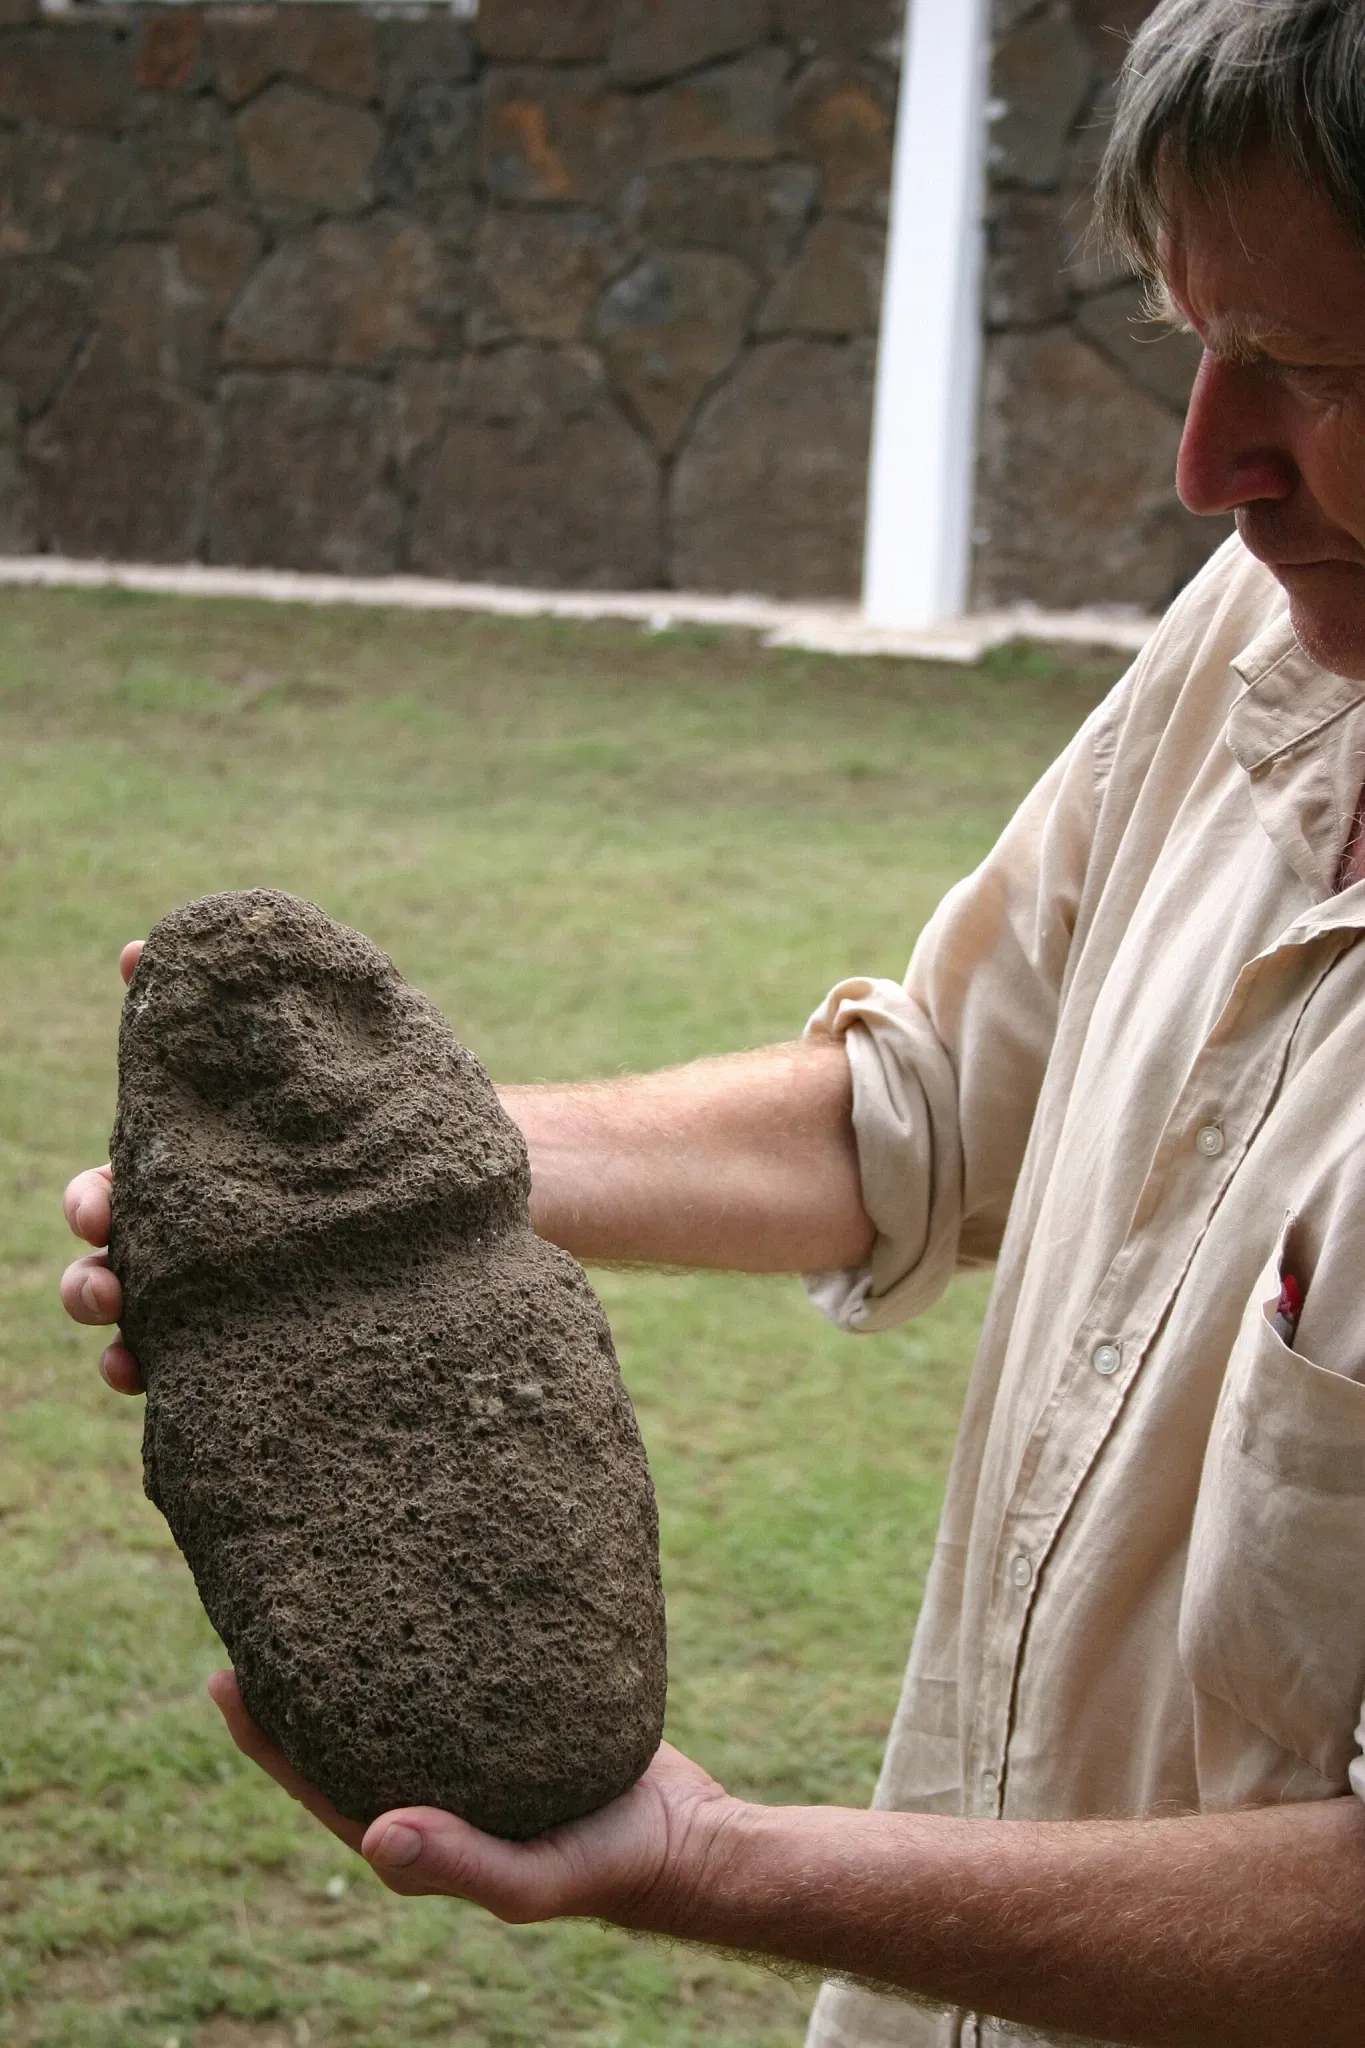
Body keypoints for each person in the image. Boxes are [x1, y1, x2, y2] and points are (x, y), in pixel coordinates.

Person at [57, 1, 1365, 2040]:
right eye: (1192, 340)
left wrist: (700, 1859)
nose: (1208, 464)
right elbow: (920, 1117)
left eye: (1306, 367)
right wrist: (397, 1182)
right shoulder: (1265, 641)